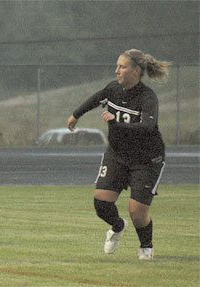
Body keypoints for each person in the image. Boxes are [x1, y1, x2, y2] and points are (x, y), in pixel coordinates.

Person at [67, 49, 171, 260]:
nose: (117, 71)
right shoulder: (113, 89)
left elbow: (148, 127)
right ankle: (118, 226)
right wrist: (75, 115)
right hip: (117, 155)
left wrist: (116, 123)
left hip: (146, 159)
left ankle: (146, 247)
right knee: (101, 203)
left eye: (122, 67)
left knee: (137, 212)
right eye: (117, 66)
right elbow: (96, 98)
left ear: (136, 71)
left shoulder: (147, 97)